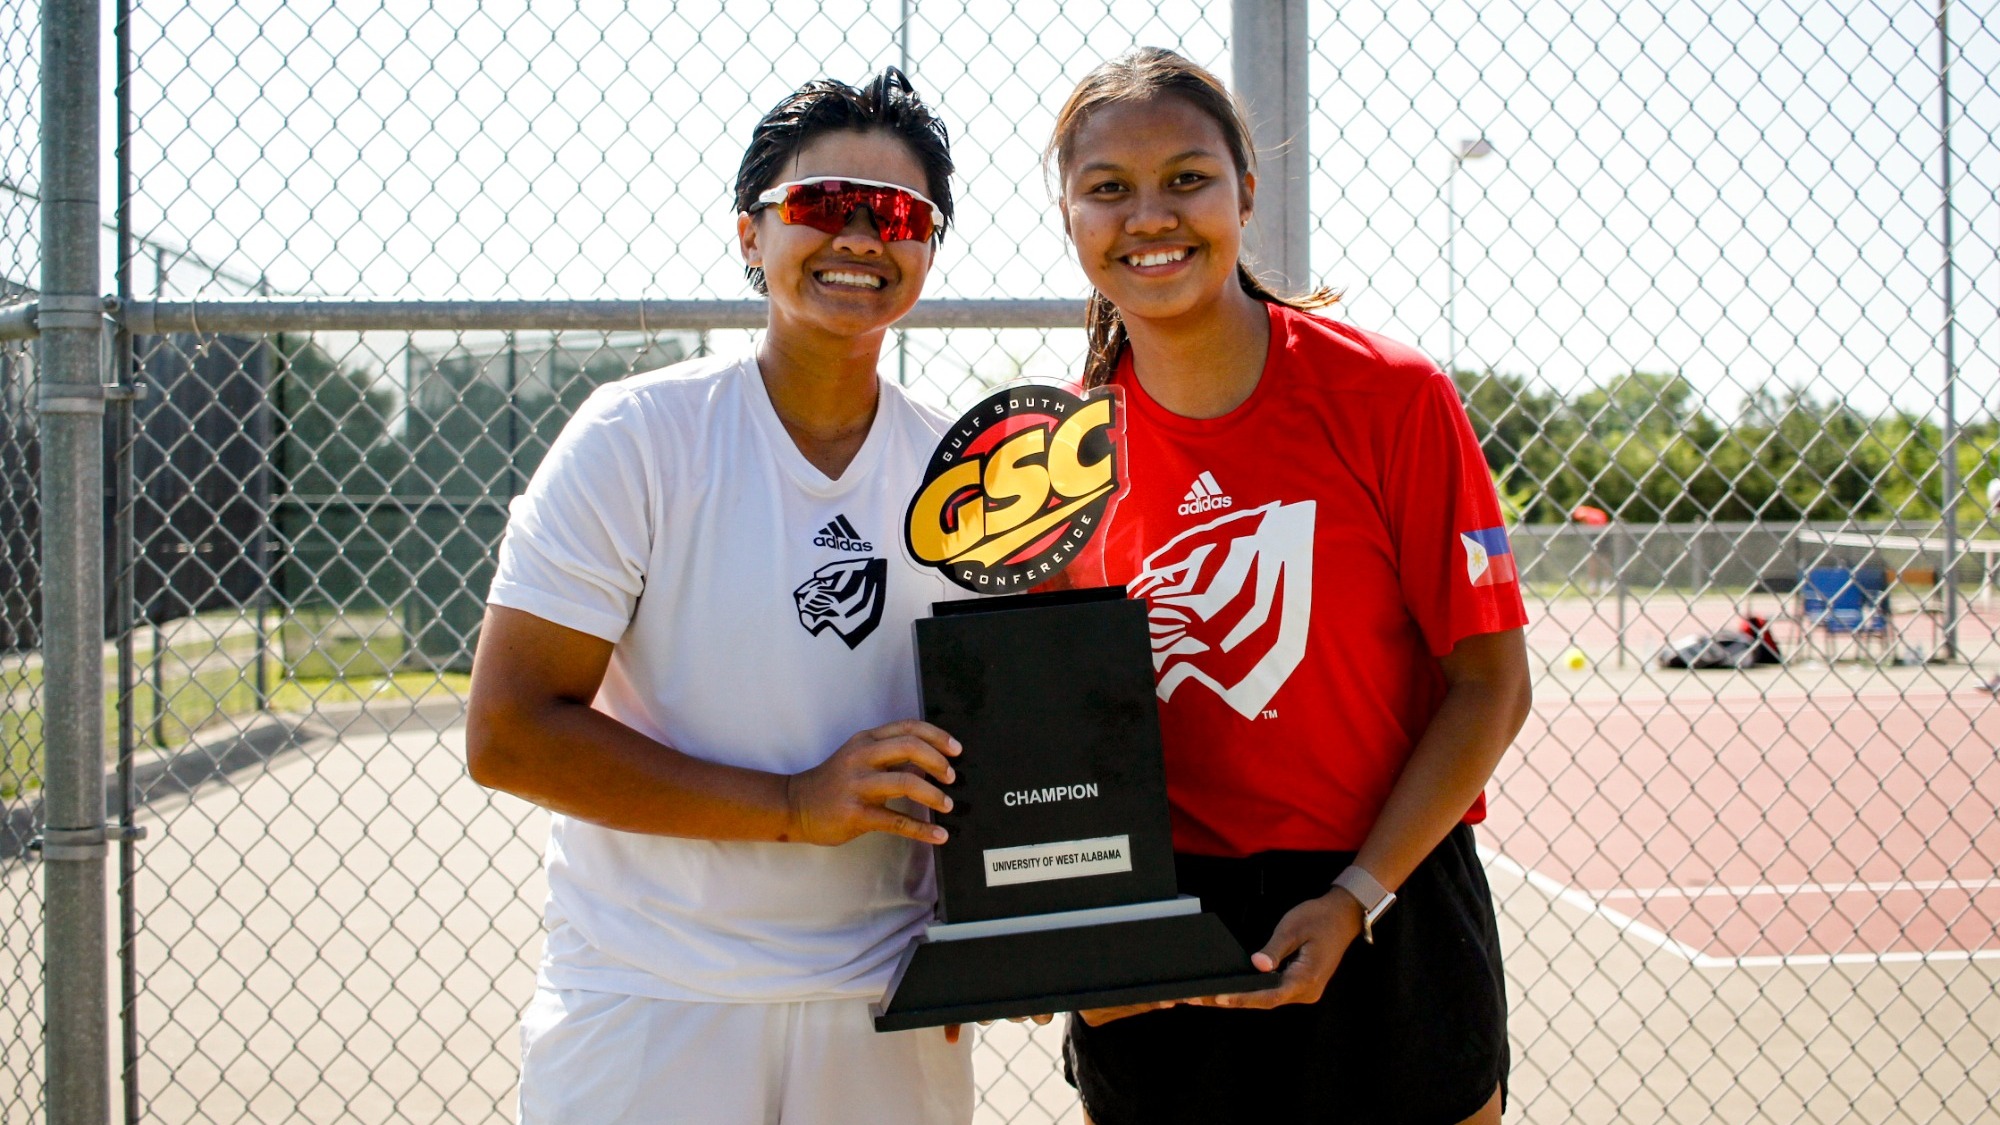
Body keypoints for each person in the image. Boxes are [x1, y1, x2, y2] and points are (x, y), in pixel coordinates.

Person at [465, 69, 976, 1124]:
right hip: (652, 991)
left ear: (926, 252)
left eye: (897, 215)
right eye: (822, 206)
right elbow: (509, 733)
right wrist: (793, 806)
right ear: (750, 235)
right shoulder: (637, 437)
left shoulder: (963, 470)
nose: (859, 238)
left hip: (883, 996)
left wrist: (1003, 923)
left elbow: (1000, 728)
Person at [1044, 49, 1533, 1124]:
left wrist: (1355, 897)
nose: (1149, 216)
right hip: (1159, 918)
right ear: (1068, 215)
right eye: (1107, 189)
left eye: (1186, 178)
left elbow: (1490, 685)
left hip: (1382, 893)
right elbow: (1050, 732)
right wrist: (1051, 932)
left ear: (1245, 193)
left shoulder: (1388, 396)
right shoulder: (1055, 457)